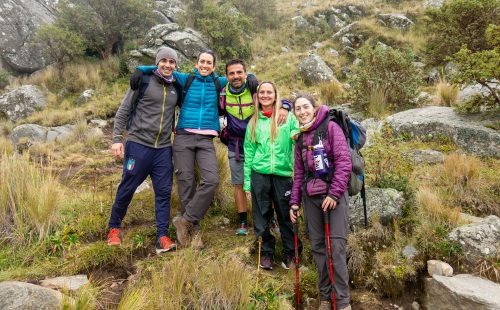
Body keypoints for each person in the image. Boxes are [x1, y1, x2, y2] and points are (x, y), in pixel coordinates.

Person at [107, 47, 181, 254]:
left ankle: (162, 237)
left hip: (164, 149)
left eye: (171, 61)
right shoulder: (143, 81)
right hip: (138, 145)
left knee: (164, 192)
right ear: (157, 62)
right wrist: (116, 139)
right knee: (127, 187)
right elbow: (123, 110)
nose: (167, 64)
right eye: (163, 60)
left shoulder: (177, 86)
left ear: (176, 65)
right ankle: (114, 228)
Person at [289, 94, 352, 310]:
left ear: (314, 108)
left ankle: (342, 302)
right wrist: (294, 203)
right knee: (318, 248)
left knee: (335, 248)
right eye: (298, 108)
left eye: (306, 107)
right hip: (311, 199)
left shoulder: (331, 127)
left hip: (334, 198)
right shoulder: (300, 138)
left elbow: (344, 163)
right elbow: (298, 174)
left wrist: (334, 194)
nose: (302, 111)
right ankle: (325, 298)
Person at [221, 59, 290, 236]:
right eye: (231, 73)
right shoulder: (221, 92)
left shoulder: (255, 88)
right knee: (239, 183)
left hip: (260, 144)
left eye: (239, 73)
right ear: (226, 76)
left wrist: (285, 107)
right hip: (236, 145)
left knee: (269, 182)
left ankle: (272, 217)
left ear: (245, 74)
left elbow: (273, 95)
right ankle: (243, 220)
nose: (236, 76)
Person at [170, 50, 227, 249]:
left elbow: (243, 81)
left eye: (209, 62)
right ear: (197, 63)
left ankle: (185, 220)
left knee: (211, 180)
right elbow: (162, 68)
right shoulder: (186, 78)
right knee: (186, 181)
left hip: (206, 140)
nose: (204, 65)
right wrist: (142, 70)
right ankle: (191, 230)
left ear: (214, 66)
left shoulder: (219, 82)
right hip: (183, 136)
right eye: (202, 61)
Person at [243, 81, 302, 270]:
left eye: (269, 92)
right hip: (259, 174)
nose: (265, 95)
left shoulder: (287, 117)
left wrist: (295, 131)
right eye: (262, 92)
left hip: (283, 175)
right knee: (261, 215)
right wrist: (246, 183)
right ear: (257, 96)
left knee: (286, 215)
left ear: (276, 96)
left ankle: (291, 252)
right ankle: (266, 252)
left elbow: (297, 134)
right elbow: (249, 153)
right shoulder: (253, 122)